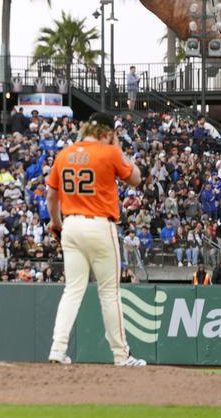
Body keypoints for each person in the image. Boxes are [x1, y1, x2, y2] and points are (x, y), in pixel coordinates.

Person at [46, 112, 146, 367]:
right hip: (100, 225)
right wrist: (118, 147)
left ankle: (57, 349)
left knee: (72, 290)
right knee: (109, 293)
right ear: (108, 132)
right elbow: (136, 179)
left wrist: (56, 223)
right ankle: (121, 355)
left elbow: (51, 196)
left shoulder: (65, 153)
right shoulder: (109, 152)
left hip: (71, 224)